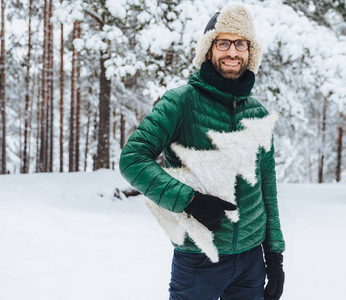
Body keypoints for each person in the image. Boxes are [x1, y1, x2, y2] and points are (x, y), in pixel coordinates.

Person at [120, 3, 285, 300]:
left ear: (250, 52)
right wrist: (189, 200)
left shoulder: (259, 113)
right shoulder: (180, 102)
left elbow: (267, 188)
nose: (232, 52)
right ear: (208, 51)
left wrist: (274, 256)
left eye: (240, 44)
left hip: (251, 260)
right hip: (199, 257)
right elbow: (133, 159)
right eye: (223, 43)